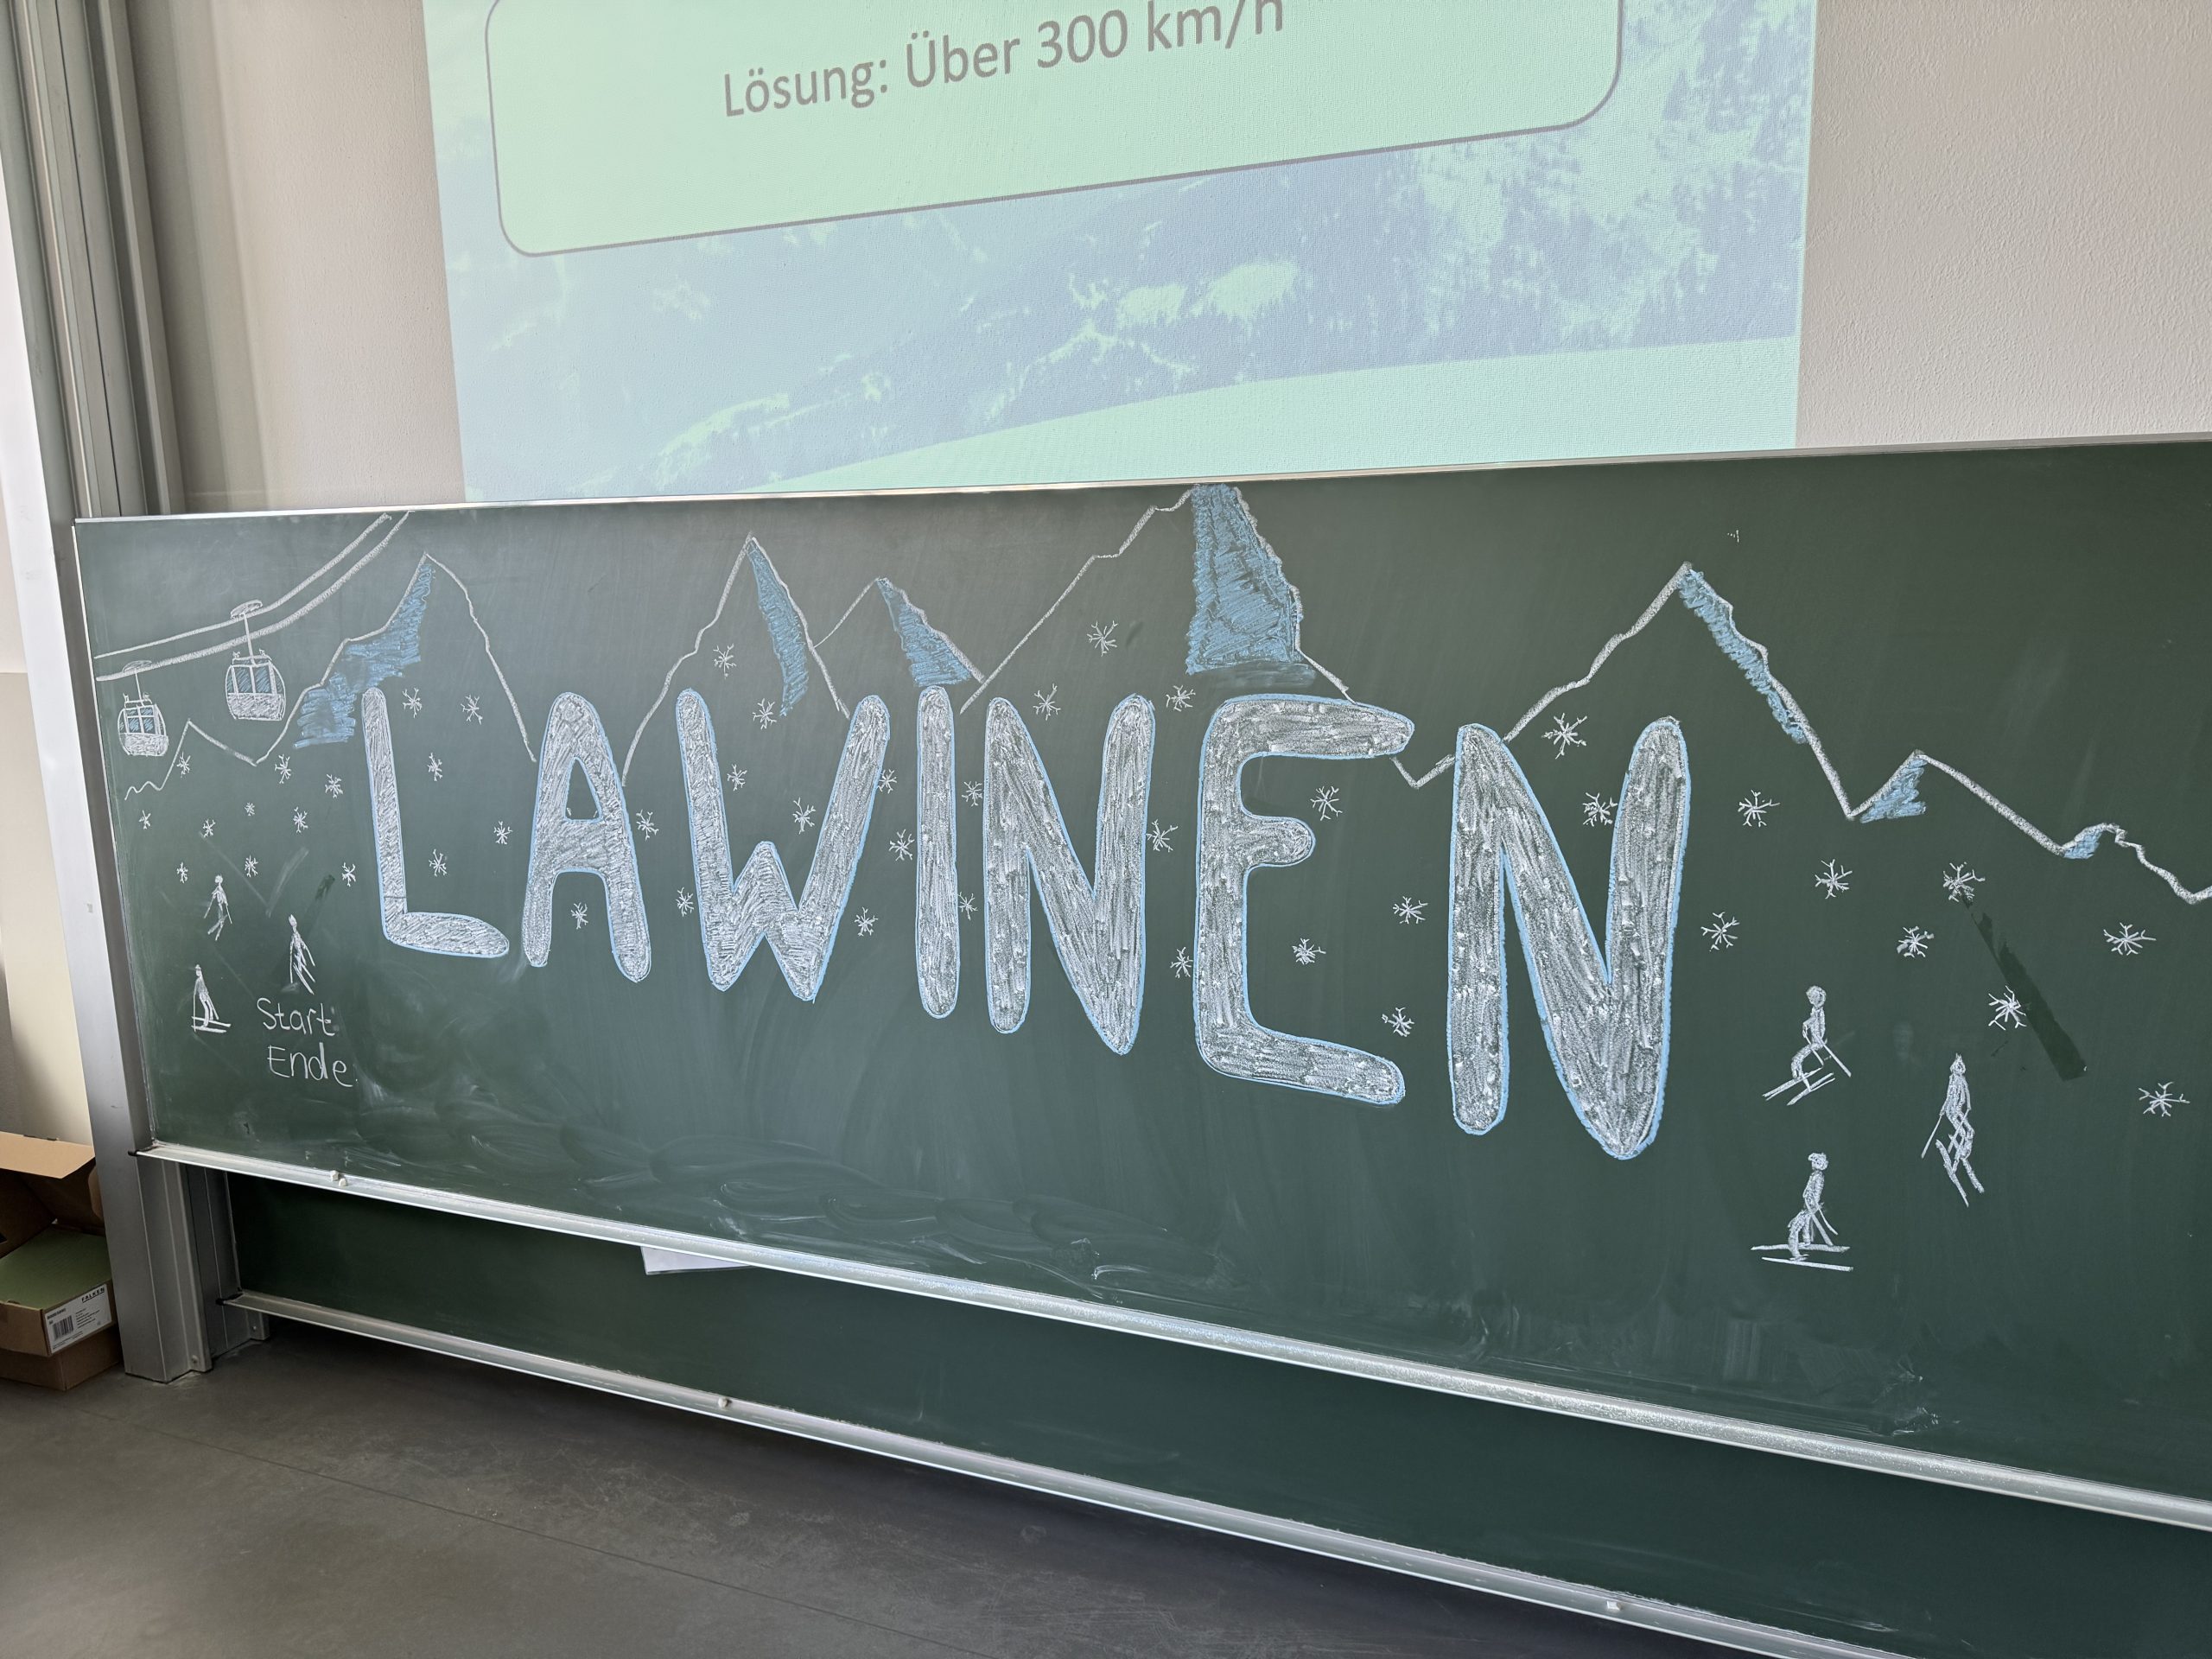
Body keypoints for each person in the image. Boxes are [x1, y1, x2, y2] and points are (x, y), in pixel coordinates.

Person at [1923, 1053, 1984, 1205]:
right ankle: (1957, 1163)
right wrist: (1944, 1109)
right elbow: (1949, 1096)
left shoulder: (1961, 1080)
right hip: (1953, 1111)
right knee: (1965, 1133)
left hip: (1957, 1110)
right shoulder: (1953, 1079)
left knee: (1969, 1132)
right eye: (1959, 1065)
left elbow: (1965, 1097)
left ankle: (1962, 1157)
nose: (1961, 1068)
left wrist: (1966, 1107)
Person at [190, 963, 226, 1033]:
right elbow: (196, 989)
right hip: (202, 995)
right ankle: (205, 1023)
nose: (198, 973)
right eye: (197, 971)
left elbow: (204, 986)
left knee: (210, 1006)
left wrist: (206, 991)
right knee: (206, 1008)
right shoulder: (198, 980)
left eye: (199, 971)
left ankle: (211, 1017)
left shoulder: (202, 979)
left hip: (205, 994)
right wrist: (194, 994)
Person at [285, 912, 315, 994]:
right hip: (298, 953)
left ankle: (306, 981)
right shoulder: (293, 936)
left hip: (300, 952)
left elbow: (301, 941)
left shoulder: (297, 934)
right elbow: (293, 946)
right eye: (292, 921)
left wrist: (303, 946)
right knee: (300, 966)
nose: (294, 922)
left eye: (293, 921)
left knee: (303, 964)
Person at [204, 873, 230, 939]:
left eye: (217, 879)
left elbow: (223, 894)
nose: (216, 880)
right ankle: (214, 933)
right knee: (221, 921)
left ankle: (214, 932)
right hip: (218, 905)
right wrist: (215, 894)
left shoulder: (220, 888)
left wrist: (225, 901)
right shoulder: (218, 888)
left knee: (221, 921)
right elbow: (215, 893)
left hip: (220, 905)